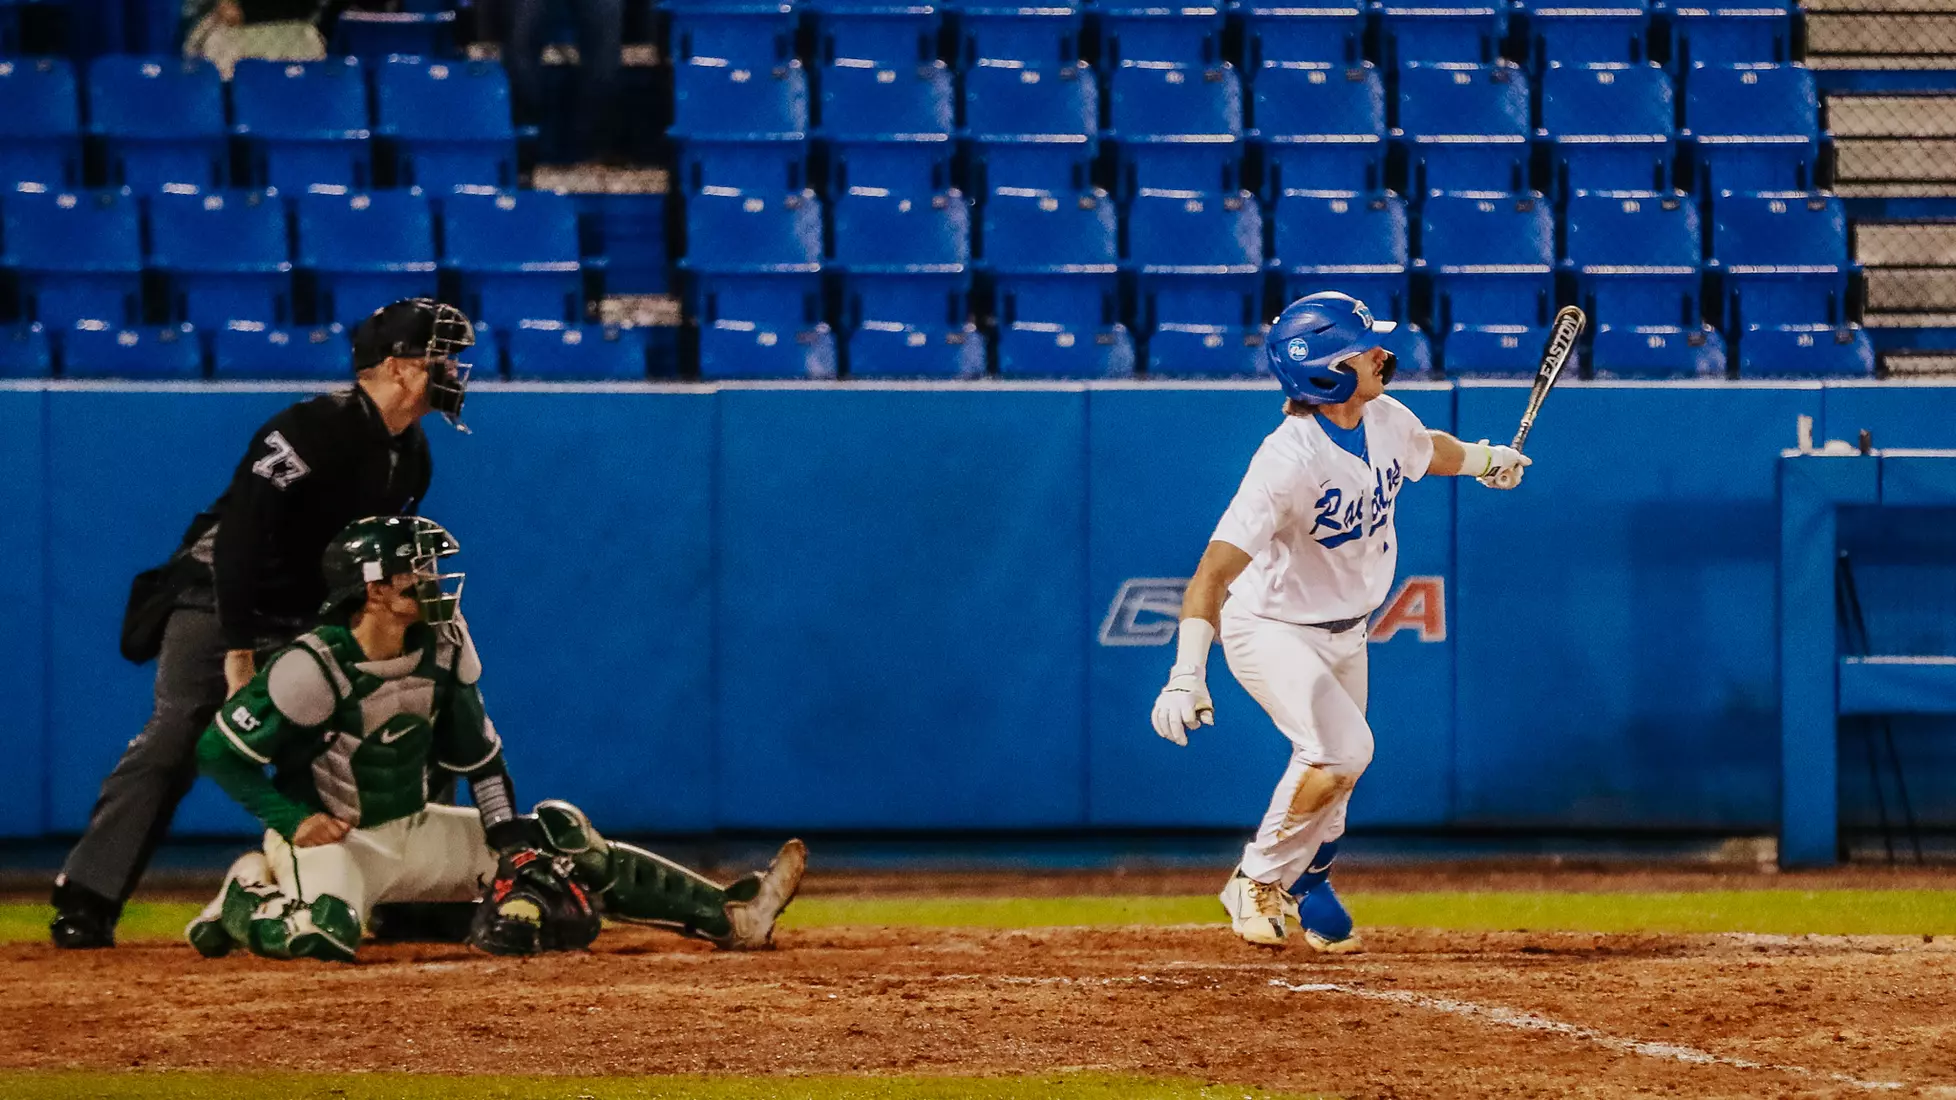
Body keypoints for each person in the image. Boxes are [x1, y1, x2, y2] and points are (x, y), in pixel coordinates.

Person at [50, 299, 476, 949]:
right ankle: (87, 895)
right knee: (178, 734)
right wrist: (240, 649)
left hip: (311, 615)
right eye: (438, 356)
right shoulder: (312, 427)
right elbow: (240, 538)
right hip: (221, 599)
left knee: (408, 705)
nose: (451, 369)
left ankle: (402, 893)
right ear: (395, 366)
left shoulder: (411, 453)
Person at [185, 515, 806, 961]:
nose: (431, 580)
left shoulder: (443, 641)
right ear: (375, 588)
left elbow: (479, 757)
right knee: (324, 936)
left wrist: (508, 837)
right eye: (415, 570)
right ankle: (245, 893)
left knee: (559, 841)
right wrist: (290, 818)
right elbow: (217, 752)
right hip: (339, 838)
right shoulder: (313, 666)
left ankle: (730, 915)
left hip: (411, 829)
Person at [1148, 291, 1532, 950]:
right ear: (1325, 373)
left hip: (1348, 629)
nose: (1383, 353)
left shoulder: (1382, 416)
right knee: (1342, 751)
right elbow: (1212, 572)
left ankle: (1309, 881)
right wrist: (1186, 673)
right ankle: (1257, 877)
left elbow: (1423, 448)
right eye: (1362, 350)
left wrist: (1484, 461)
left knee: (1337, 783)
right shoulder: (1286, 460)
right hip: (1272, 628)